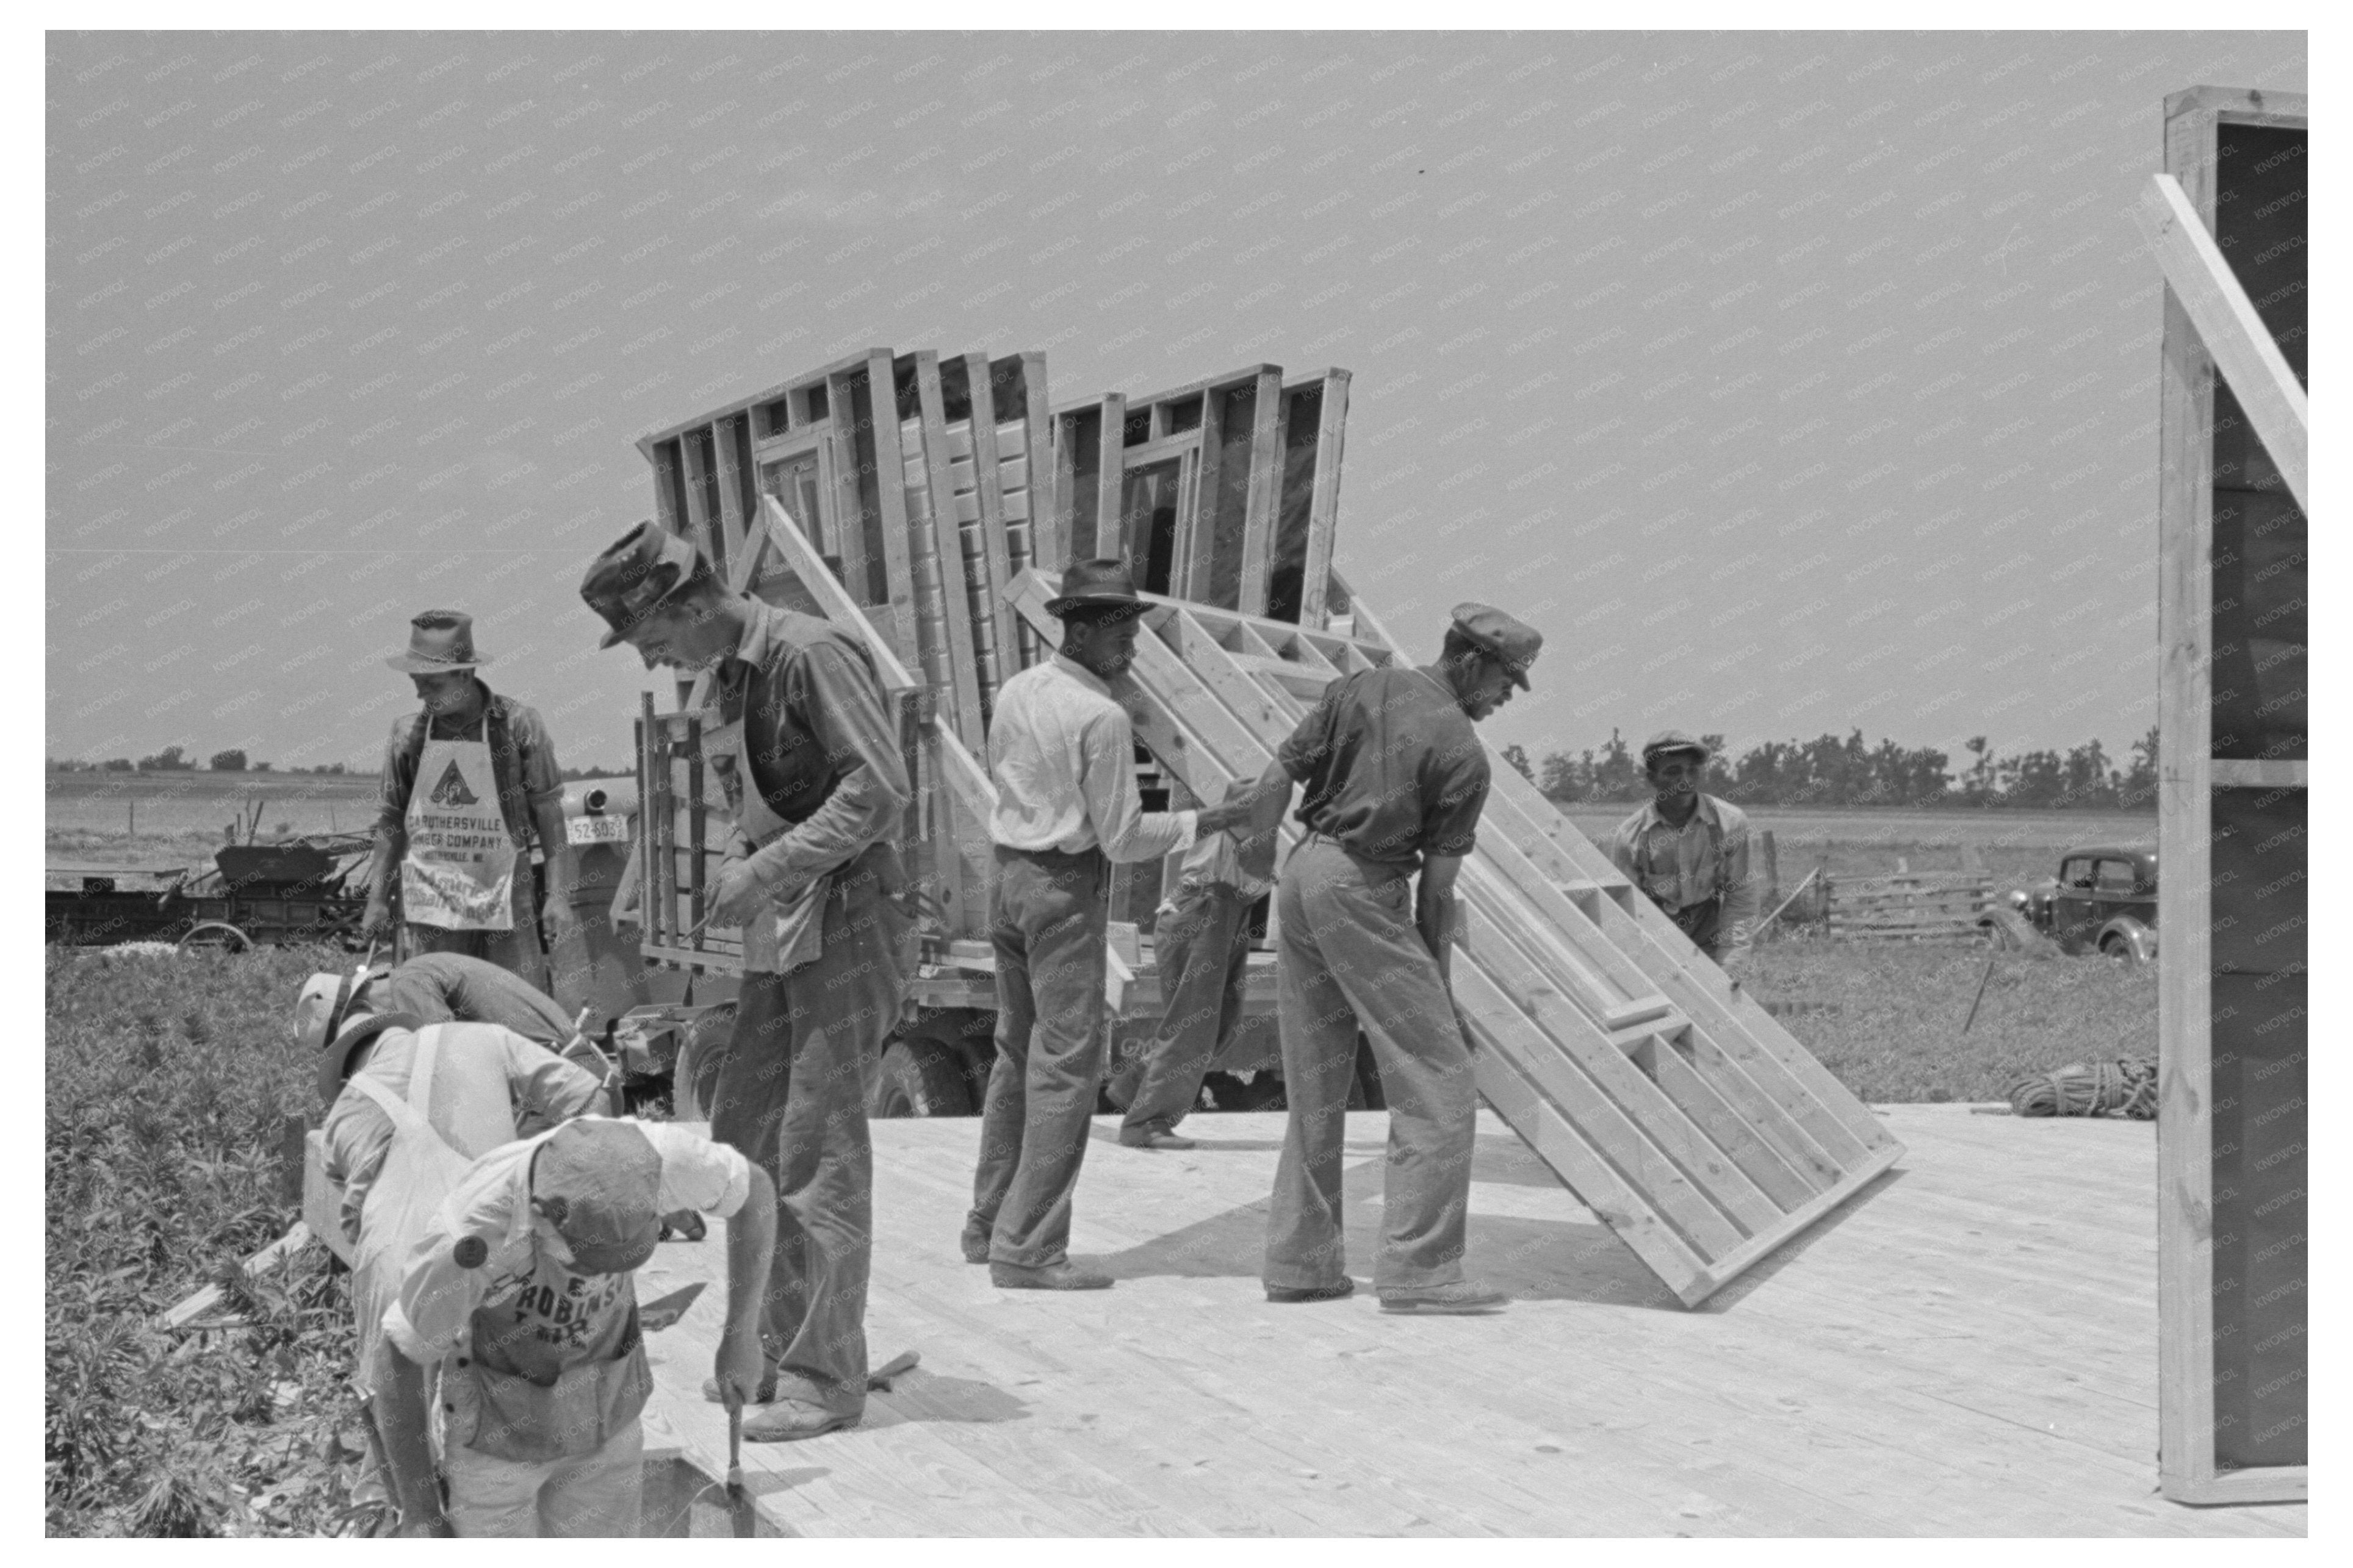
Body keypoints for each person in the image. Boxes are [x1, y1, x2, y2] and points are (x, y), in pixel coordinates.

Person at [580, 520, 911, 1442]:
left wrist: (764, 871)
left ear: (691, 604)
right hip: (789, 919)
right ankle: (772, 1341)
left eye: (653, 640)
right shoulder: (727, 678)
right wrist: (740, 859)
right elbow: (747, 804)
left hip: (849, 914)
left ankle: (825, 1374)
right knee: (746, 1132)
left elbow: (878, 792)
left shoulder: (809, 655)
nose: (653, 660)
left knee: (819, 1144)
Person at [1240, 601, 1540, 1315]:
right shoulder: (1461, 752)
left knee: (1315, 1078)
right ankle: (1420, 1269)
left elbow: (1277, 776)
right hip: (1363, 888)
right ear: (1470, 660)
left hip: (1302, 874)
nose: (1505, 697)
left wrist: (1258, 852)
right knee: (1439, 1075)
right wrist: (1438, 992)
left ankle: (1299, 1263)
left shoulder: (1360, 687)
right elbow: (1437, 896)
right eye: (1506, 681)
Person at [964, 559, 1253, 1288]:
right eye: (1121, 631)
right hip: (1063, 889)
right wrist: (1213, 817)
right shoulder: (1102, 716)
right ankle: (1027, 1248)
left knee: (1014, 1053)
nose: (1131, 646)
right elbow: (1123, 839)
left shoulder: (1018, 689)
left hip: (1007, 881)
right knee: (1066, 1065)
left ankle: (987, 1223)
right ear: (1083, 627)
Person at [295, 966, 607, 1536]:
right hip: (505, 1257)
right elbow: (593, 1100)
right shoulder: (483, 1039)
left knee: (392, 1407)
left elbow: (353, 1217)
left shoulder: (342, 1114)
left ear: (346, 1063)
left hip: (399, 1265)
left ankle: (412, 1521)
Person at [377, 1117, 777, 1537]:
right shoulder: (471, 1237)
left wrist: (740, 1337)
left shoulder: (660, 1159)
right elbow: (399, 1357)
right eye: (589, 1264)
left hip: (607, 1413)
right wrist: (421, 1515)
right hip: (497, 1439)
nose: (599, 1276)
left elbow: (756, 1192)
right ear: (540, 1219)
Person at [360, 610, 575, 992]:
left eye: (432, 683)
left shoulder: (518, 725)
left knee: (517, 1002)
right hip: (434, 897)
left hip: (506, 893)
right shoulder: (408, 733)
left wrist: (558, 898)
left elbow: (550, 814)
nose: (420, 693)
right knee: (436, 1003)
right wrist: (377, 898)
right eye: (416, 682)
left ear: (465, 674)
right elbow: (392, 820)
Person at [1116, 777, 1274, 1151]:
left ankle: (1134, 1085)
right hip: (1205, 905)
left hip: (1229, 908)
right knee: (1194, 1026)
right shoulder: (1246, 791)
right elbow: (1248, 802)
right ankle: (1146, 1122)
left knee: (1221, 1025)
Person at [1606, 731, 1758, 976]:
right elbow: (1624, 910)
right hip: (1656, 941)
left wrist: (1732, 961)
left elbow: (1740, 898)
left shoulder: (1730, 823)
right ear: (1652, 779)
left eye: (1692, 771)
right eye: (1673, 772)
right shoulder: (1629, 837)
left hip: (1710, 937)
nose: (1685, 780)